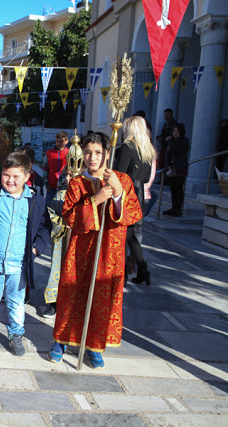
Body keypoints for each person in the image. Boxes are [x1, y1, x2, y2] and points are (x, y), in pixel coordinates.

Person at [47, 132, 142, 369]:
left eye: (98, 153)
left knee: (101, 299)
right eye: (88, 152)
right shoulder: (77, 183)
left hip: (109, 252)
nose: (92, 157)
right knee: (72, 294)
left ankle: (94, 346)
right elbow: (69, 217)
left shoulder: (123, 180)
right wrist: (96, 200)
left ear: (107, 154)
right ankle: (61, 340)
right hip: (81, 251)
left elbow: (133, 214)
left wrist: (118, 192)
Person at [0, 152, 51, 356]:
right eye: (6, 175)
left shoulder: (35, 200)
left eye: (16, 176)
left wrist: (36, 250)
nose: (10, 180)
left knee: (16, 302)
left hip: (19, 263)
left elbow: (44, 227)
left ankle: (16, 334)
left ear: (27, 176)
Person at [116, 116, 156, 286]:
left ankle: (124, 273)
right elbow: (146, 178)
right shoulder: (147, 149)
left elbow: (119, 173)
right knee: (131, 237)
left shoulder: (128, 147)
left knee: (123, 236)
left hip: (127, 194)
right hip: (139, 195)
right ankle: (142, 270)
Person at [42, 169, 74, 319]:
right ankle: (54, 303)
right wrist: (61, 224)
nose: (69, 178)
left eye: (73, 175)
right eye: (67, 175)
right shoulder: (61, 195)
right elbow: (51, 211)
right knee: (58, 268)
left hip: (79, 239)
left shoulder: (89, 195)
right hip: (62, 237)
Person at [163, 123, 189, 217]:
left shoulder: (184, 141)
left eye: (177, 131)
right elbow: (167, 154)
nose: (175, 133)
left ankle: (178, 208)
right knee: (173, 189)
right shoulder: (172, 141)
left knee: (178, 189)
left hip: (179, 168)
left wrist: (170, 141)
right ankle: (174, 208)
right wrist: (167, 166)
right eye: (174, 131)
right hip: (171, 168)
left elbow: (178, 151)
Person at [43, 131, 70, 203]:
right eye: (57, 141)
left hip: (64, 186)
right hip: (51, 185)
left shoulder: (70, 154)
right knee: (48, 206)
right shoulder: (49, 153)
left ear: (66, 141)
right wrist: (46, 182)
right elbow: (45, 168)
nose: (58, 143)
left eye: (61, 141)